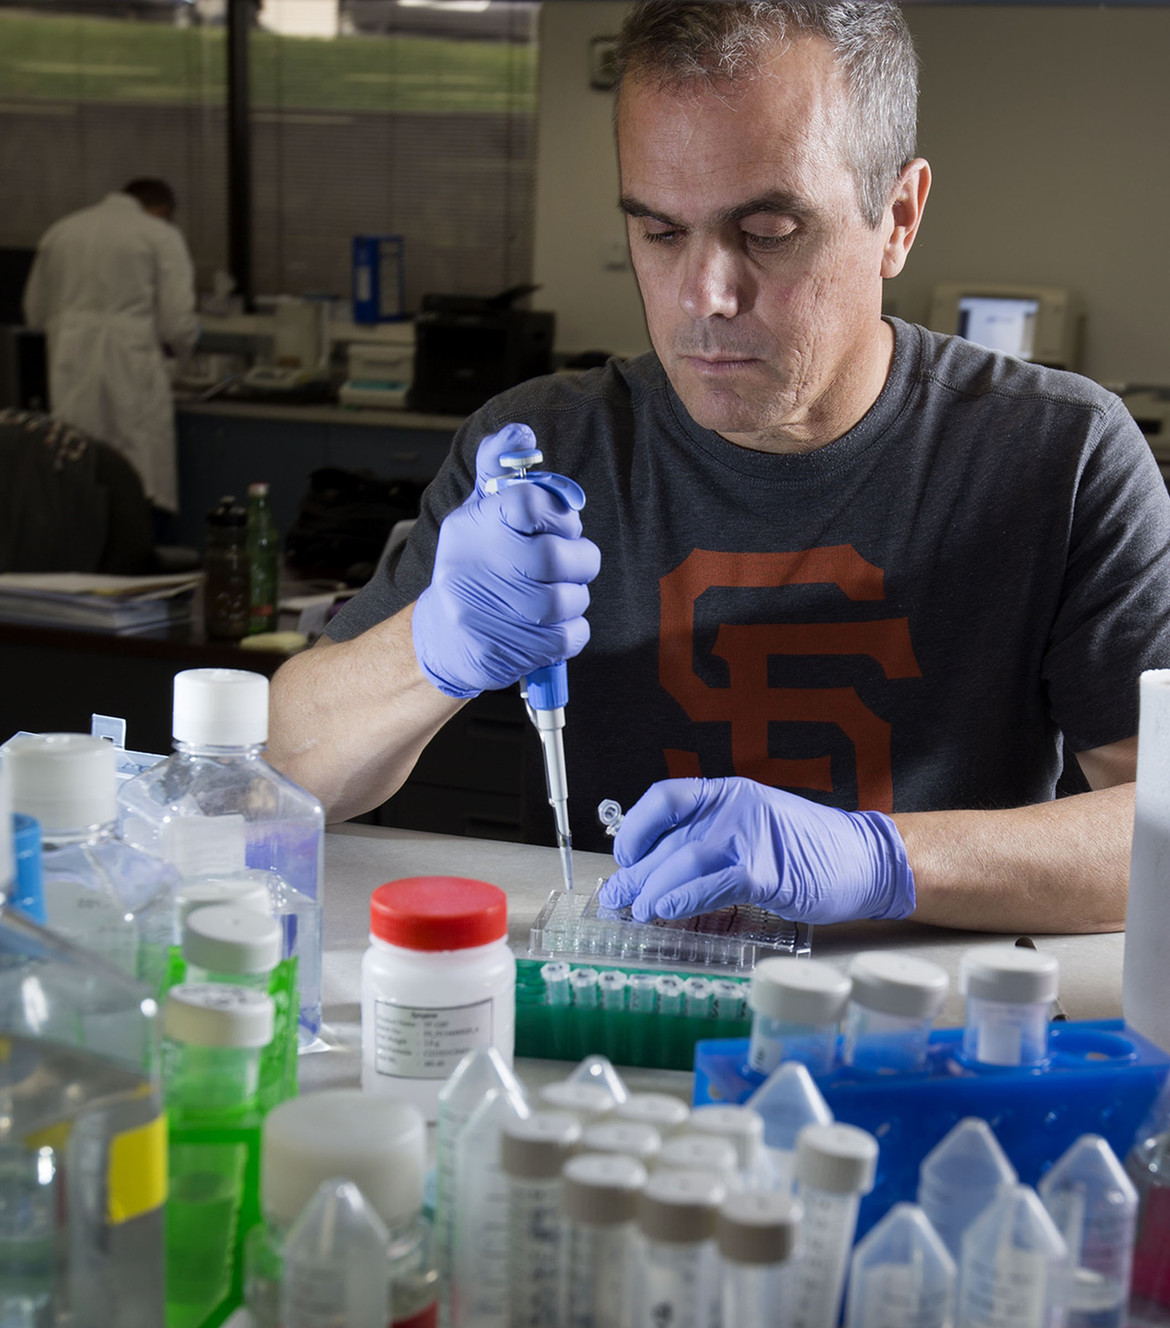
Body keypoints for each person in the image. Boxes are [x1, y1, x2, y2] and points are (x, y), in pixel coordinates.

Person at [267, 1, 1170, 936]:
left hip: (927, 1030)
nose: (706, 294)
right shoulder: (544, 455)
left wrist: (882, 860)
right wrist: (431, 647)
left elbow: (1163, 831)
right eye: (660, 233)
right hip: (617, 1017)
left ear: (897, 217)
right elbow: (275, 775)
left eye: (769, 231)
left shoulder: (1058, 456)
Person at [22, 178, 200, 521]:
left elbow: (35, 311)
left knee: (75, 468)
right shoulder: (159, 234)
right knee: (137, 474)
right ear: (162, 210)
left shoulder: (62, 230)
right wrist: (186, 350)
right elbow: (177, 324)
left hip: (69, 363)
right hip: (131, 365)